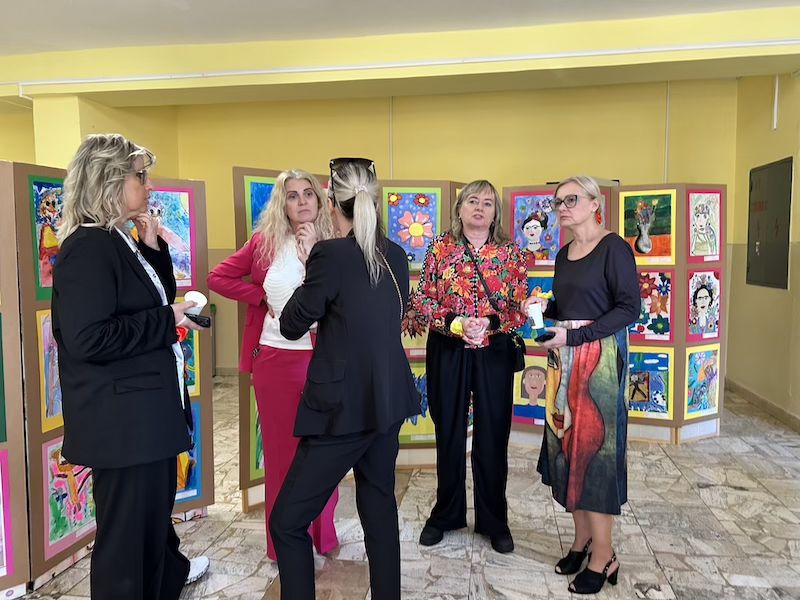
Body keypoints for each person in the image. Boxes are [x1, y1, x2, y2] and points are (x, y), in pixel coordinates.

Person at [51, 133, 209, 599]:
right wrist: (168, 319)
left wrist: (152, 243)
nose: (149, 184)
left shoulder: (117, 239)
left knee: (150, 534)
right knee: (125, 550)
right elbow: (88, 338)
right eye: (141, 175)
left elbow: (151, 300)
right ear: (108, 180)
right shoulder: (88, 247)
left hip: (142, 419)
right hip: (124, 425)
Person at [269, 158, 420, 600]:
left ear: (332, 203)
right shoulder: (395, 254)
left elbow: (292, 324)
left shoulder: (329, 255)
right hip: (387, 401)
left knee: (286, 522)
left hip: (341, 411)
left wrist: (307, 264)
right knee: (378, 507)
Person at [207, 169, 339, 561]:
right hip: (275, 361)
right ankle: (281, 543)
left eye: (308, 194)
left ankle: (322, 534)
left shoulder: (335, 243)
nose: (302, 202)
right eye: (292, 195)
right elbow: (218, 277)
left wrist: (313, 256)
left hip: (323, 360)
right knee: (282, 455)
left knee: (323, 452)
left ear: (320, 200)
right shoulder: (263, 243)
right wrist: (260, 297)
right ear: (282, 204)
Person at [523, 175, 639, 595]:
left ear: (595, 203)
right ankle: (581, 541)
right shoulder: (563, 254)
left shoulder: (614, 248)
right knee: (566, 450)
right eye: (558, 202)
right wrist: (543, 308)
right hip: (564, 359)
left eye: (571, 199)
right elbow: (568, 307)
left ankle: (604, 555)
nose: (562, 207)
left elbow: (629, 308)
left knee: (594, 453)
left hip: (598, 362)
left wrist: (574, 336)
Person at [407, 180, 528, 554]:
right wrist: (457, 323)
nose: (479, 208)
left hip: (494, 350)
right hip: (448, 348)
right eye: (472, 201)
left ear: (496, 213)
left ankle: (494, 520)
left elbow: (519, 307)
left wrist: (488, 324)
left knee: (493, 433)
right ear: (459, 209)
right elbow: (423, 300)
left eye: (488, 203)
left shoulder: (510, 253)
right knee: (449, 431)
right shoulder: (439, 249)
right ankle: (446, 513)